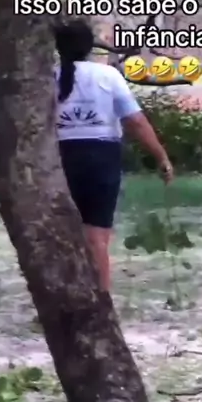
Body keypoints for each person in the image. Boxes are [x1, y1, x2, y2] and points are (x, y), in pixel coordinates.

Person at [54, 20, 173, 292]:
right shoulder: (107, 75)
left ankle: (69, 296)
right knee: (97, 239)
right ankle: (101, 300)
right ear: (89, 46)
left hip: (61, 157)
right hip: (101, 157)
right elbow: (136, 122)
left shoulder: (48, 77)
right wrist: (161, 157)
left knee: (64, 236)